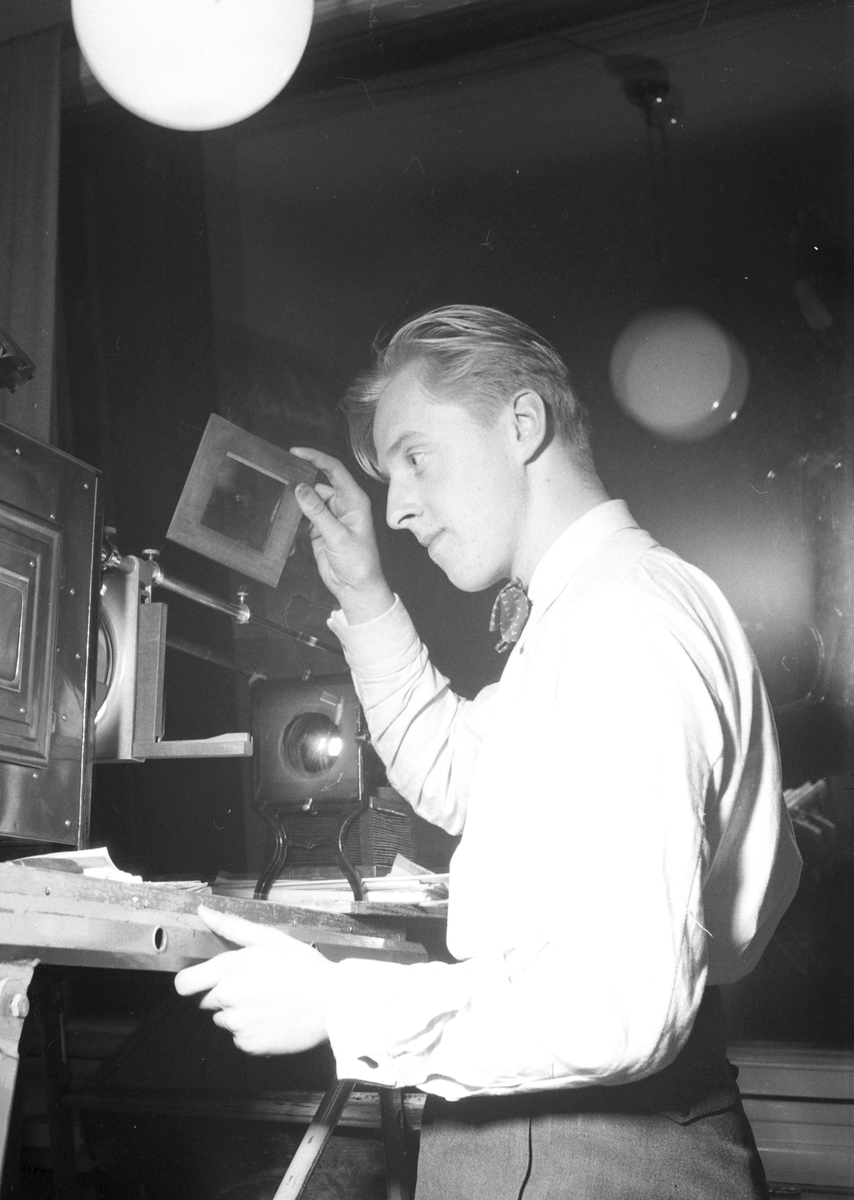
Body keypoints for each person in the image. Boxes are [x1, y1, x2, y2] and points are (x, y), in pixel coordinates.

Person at [175, 305, 802, 1197]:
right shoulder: (587, 615)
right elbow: (454, 772)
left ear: (522, 424)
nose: (397, 508)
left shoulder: (624, 629)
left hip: (590, 1154)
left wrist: (339, 1005)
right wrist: (363, 593)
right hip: (550, 1136)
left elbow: (615, 1007)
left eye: (415, 457)